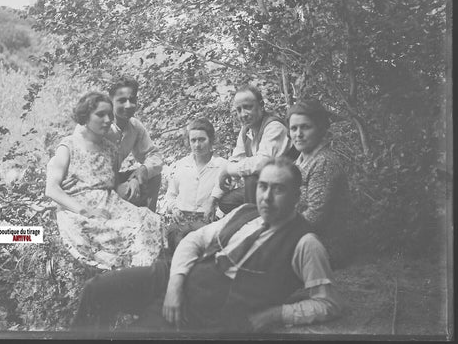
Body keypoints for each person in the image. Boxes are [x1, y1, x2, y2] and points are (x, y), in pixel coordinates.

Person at [72, 156, 342, 333]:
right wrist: (175, 286)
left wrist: (275, 314)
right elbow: (194, 240)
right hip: (173, 278)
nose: (267, 197)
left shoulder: (306, 243)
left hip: (204, 312)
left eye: (278, 189)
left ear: (296, 196)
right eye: (263, 187)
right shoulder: (245, 211)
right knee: (97, 290)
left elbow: (328, 304)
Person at [46, 92, 163, 270]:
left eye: (110, 114)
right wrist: (85, 211)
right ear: (85, 117)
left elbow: (111, 182)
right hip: (79, 208)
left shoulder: (110, 148)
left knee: (149, 220)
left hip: (110, 203)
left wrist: (128, 184)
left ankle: (144, 274)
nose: (108, 119)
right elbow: (52, 189)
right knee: (118, 231)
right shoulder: (68, 145)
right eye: (100, 115)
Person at [287, 99, 353, 268]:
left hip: (324, 244)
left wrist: (278, 233)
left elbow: (315, 217)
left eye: (305, 127)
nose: (298, 134)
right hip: (299, 233)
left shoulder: (324, 162)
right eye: (294, 128)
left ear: (320, 129)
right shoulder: (299, 162)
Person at [211, 85, 293, 215]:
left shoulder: (274, 127)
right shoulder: (246, 131)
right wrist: (214, 197)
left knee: (251, 179)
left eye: (248, 107)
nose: (243, 114)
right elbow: (234, 161)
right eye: (239, 110)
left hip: (284, 187)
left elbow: (262, 163)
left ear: (261, 105)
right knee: (225, 202)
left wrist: (228, 170)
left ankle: (256, 222)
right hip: (262, 188)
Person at [163, 118, 228, 252]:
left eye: (202, 139)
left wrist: (217, 216)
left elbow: (226, 194)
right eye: (193, 140)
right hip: (181, 221)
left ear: (210, 140)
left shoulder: (221, 165)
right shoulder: (181, 165)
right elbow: (171, 195)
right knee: (175, 250)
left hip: (207, 222)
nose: (197, 145)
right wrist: (174, 209)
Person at [108, 78, 164, 212]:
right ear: (111, 102)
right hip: (94, 184)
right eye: (121, 101)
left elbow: (153, 155)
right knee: (126, 193)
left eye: (132, 100)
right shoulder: (101, 125)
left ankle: (149, 221)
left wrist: (141, 172)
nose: (128, 105)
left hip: (114, 178)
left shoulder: (135, 126)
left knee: (153, 175)